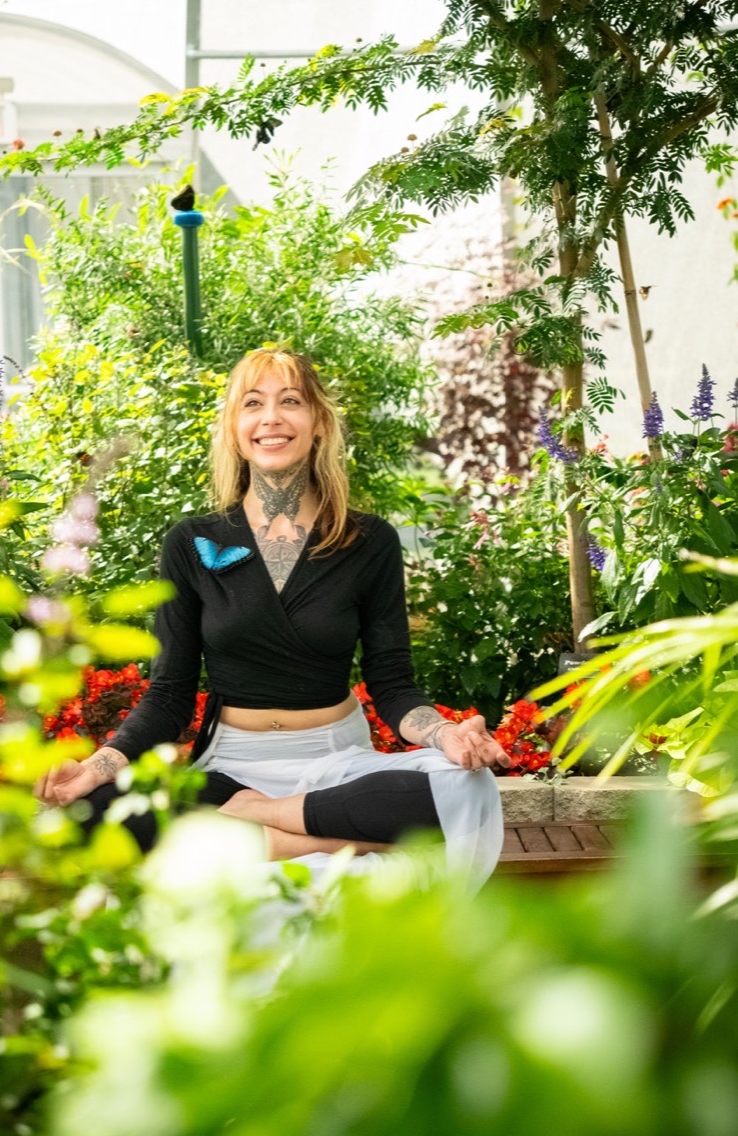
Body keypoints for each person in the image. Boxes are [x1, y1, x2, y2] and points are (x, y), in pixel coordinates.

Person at [36, 348, 508, 886]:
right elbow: (168, 694)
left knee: (466, 787)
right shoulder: (192, 542)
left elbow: (393, 683)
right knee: (90, 809)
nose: (271, 418)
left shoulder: (367, 540)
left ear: (319, 424)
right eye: (252, 404)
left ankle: (256, 825)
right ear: (235, 428)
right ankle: (314, 835)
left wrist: (446, 735)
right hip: (229, 770)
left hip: (337, 764)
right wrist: (94, 769)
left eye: (291, 402)